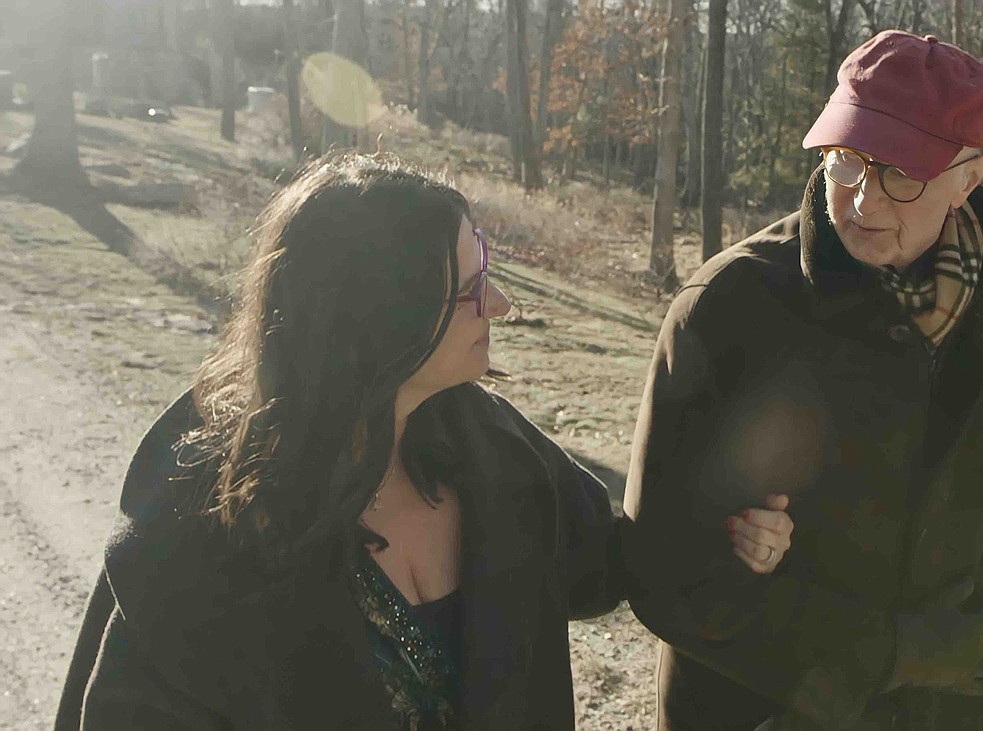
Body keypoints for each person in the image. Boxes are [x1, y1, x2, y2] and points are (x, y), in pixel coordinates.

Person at [54, 151, 795, 731]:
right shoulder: (198, 533)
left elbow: (601, 564)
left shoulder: (489, 448)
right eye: (473, 288)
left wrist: (720, 529)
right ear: (382, 324)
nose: (500, 303)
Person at [621, 30, 983, 730]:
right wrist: (888, 654)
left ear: (970, 177)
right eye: (849, 160)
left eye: (902, 174)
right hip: (752, 708)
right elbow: (661, 567)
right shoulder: (731, 305)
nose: (864, 201)